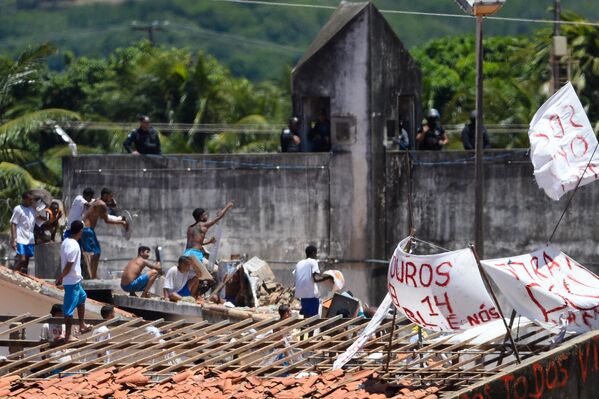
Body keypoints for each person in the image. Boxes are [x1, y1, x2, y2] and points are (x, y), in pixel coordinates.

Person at [56, 220, 92, 342]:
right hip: (71, 281)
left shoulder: (66, 241)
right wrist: (61, 277)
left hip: (74, 280)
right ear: (80, 231)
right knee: (69, 309)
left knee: (82, 297)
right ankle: (68, 336)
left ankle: (82, 325)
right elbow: (69, 264)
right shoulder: (74, 245)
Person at [81, 188, 128, 279]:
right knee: (94, 253)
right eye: (110, 196)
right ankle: (92, 276)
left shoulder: (97, 202)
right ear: (105, 195)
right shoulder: (102, 205)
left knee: (94, 253)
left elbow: (103, 216)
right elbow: (107, 220)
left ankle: (93, 276)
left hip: (86, 229)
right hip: (87, 230)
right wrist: (121, 223)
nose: (111, 198)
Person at [186, 201, 234, 267]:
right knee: (215, 270)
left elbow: (196, 243)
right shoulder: (203, 225)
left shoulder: (190, 228)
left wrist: (209, 242)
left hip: (186, 253)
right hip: (196, 255)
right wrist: (227, 206)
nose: (207, 216)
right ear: (201, 217)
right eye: (205, 215)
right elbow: (218, 217)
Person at [294, 245, 333, 318]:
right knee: (312, 320)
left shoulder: (299, 263)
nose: (316, 255)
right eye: (316, 253)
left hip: (303, 297)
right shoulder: (313, 262)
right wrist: (328, 277)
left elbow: (296, 277)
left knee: (306, 320)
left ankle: (305, 329)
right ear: (313, 253)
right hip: (311, 296)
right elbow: (316, 278)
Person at [10, 191, 36, 273]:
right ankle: (12, 274)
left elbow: (42, 219)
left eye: (32, 200)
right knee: (22, 259)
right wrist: (14, 239)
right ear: (24, 199)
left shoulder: (33, 210)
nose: (31, 201)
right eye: (29, 200)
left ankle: (23, 279)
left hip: (30, 238)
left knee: (26, 262)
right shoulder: (18, 209)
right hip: (20, 237)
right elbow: (13, 223)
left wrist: (40, 210)